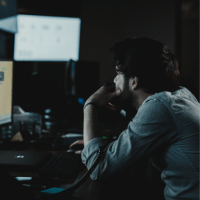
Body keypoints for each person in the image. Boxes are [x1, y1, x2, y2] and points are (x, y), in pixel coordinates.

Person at [70, 37, 199, 200]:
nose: (115, 80)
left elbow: (98, 168)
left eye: (118, 73)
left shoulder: (159, 107)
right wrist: (98, 147)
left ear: (134, 82)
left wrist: (90, 105)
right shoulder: (180, 95)